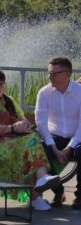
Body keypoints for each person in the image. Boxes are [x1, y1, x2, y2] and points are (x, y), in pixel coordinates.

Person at [0, 68, 60, 211]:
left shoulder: (9, 100)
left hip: (11, 141)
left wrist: (21, 125)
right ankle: (37, 192)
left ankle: (38, 187)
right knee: (28, 146)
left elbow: (24, 121)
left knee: (30, 142)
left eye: (1, 84)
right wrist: (11, 128)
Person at [36, 57, 81, 209]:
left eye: (55, 73)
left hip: (77, 138)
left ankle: (80, 197)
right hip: (54, 138)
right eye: (49, 73)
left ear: (67, 73)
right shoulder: (44, 92)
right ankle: (58, 191)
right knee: (38, 149)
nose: (50, 77)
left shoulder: (79, 92)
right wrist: (53, 147)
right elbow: (41, 123)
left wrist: (69, 148)